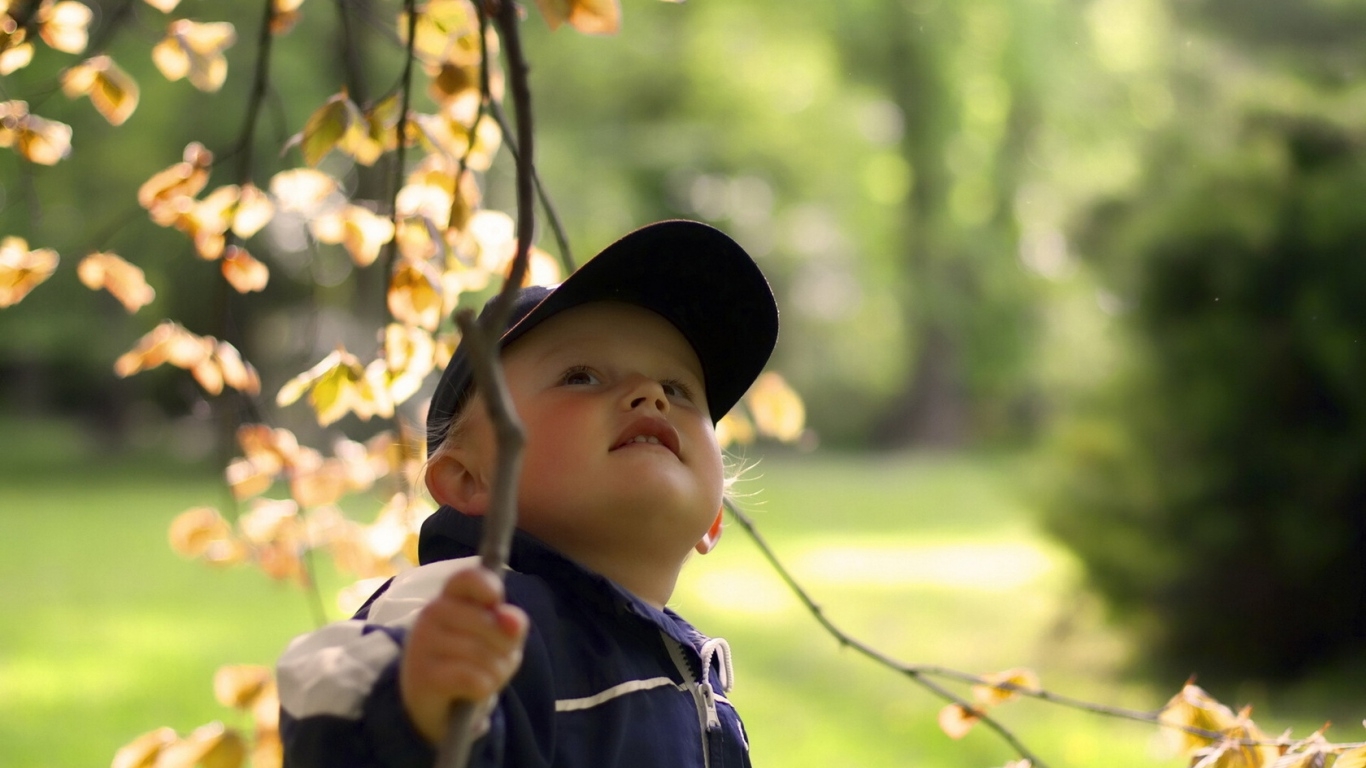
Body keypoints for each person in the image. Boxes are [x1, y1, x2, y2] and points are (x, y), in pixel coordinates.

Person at [276, 219, 779, 767]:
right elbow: (328, 692)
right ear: (471, 480)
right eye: (582, 376)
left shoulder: (691, 675)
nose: (650, 394)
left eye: (679, 389)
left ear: (712, 522)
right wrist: (413, 706)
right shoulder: (475, 612)